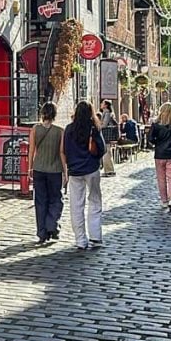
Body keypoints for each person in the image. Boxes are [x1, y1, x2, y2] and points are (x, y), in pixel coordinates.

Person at [61, 101, 106, 250]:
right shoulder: (94, 128)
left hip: (75, 171)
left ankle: (80, 239)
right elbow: (102, 149)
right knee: (94, 201)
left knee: (76, 205)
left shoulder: (69, 129)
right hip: (91, 169)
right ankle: (95, 236)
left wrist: (69, 166)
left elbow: (65, 150)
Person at [29, 102, 66, 244]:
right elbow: (62, 153)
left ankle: (42, 232)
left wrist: (30, 168)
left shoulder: (35, 129)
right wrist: (65, 171)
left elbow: (32, 150)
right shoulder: (60, 131)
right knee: (56, 199)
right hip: (55, 170)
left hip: (39, 169)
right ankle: (51, 224)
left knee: (40, 201)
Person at [149, 103, 171, 213]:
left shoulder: (156, 124)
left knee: (161, 178)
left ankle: (164, 201)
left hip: (160, 154)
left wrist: (158, 142)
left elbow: (150, 138)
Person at [98, 99, 117, 176]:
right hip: (106, 135)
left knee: (106, 152)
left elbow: (105, 124)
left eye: (102, 103)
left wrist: (98, 127)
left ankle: (109, 170)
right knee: (107, 152)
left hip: (106, 135)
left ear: (106, 105)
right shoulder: (105, 113)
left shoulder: (107, 113)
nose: (101, 104)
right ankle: (109, 170)